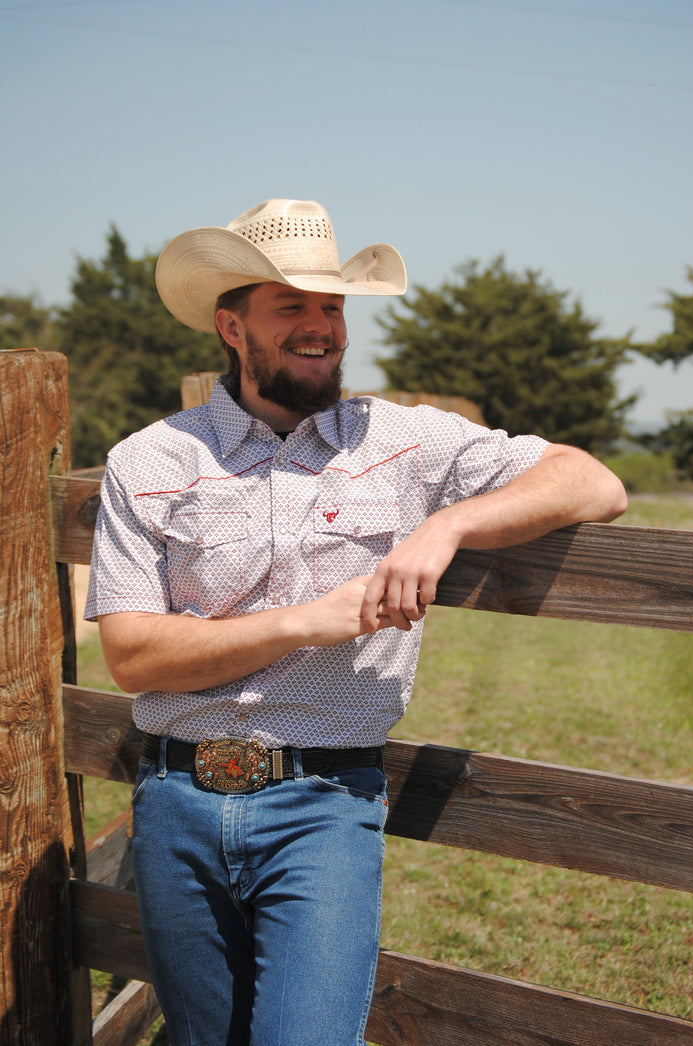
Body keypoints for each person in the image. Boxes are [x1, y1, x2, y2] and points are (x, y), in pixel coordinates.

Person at [85, 198, 627, 1046]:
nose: (321, 327)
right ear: (233, 326)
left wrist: (447, 524)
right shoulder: (151, 460)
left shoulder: (403, 441)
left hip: (324, 803)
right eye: (291, 306)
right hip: (177, 801)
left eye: (332, 306)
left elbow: (592, 482)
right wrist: (309, 621)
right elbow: (130, 656)